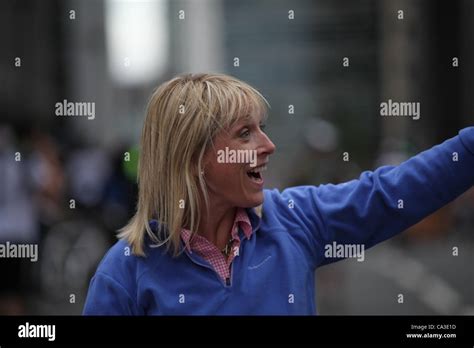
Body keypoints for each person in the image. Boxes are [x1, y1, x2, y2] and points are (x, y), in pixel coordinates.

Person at [83, 73, 474, 315]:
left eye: (262, 128)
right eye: (244, 133)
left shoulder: (295, 217)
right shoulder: (124, 273)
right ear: (194, 157)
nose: (268, 146)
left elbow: (392, 193)